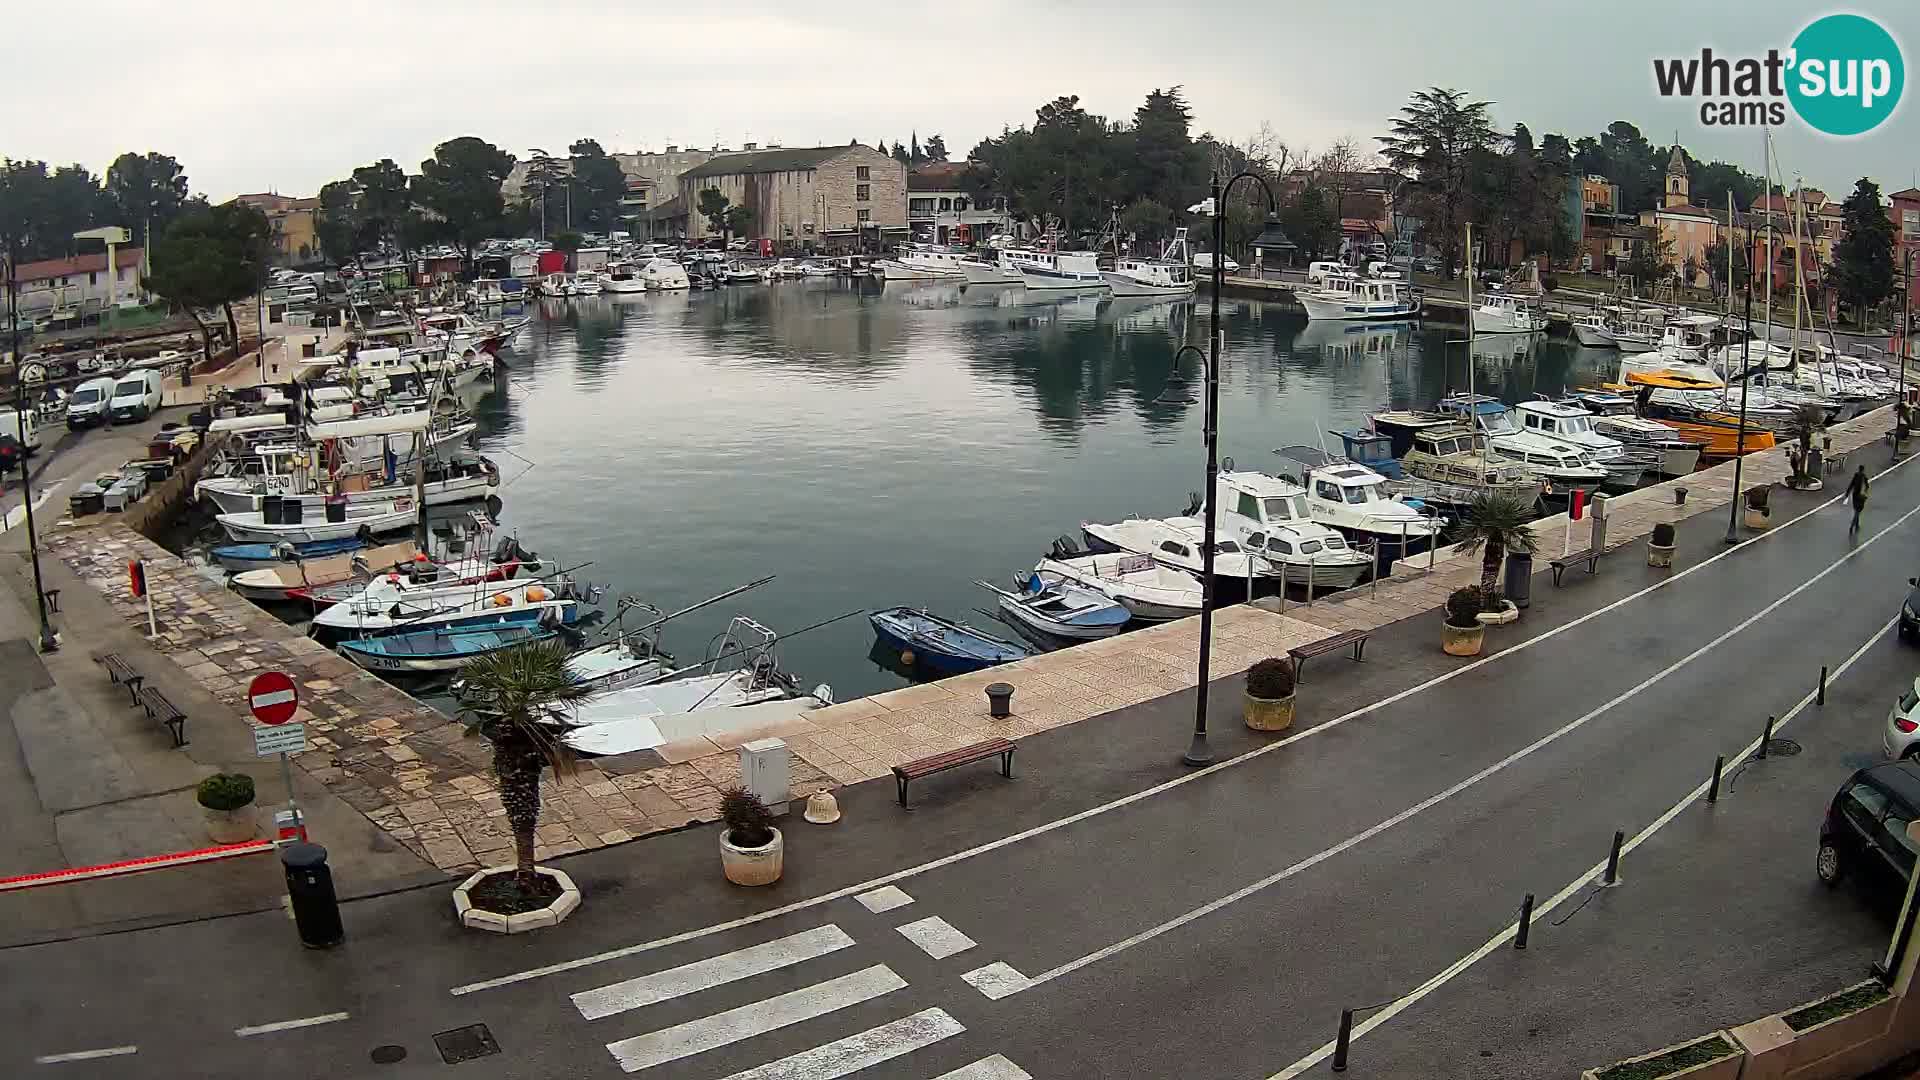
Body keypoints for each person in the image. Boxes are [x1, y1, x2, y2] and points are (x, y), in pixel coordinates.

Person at [1848, 464, 1870, 534]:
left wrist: (1847, 492)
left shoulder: (1856, 475)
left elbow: (1851, 484)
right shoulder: (1864, 477)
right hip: (1860, 497)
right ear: (1863, 470)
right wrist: (1865, 494)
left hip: (1854, 495)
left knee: (1856, 511)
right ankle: (1852, 525)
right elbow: (1867, 487)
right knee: (1857, 512)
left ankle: (1856, 525)